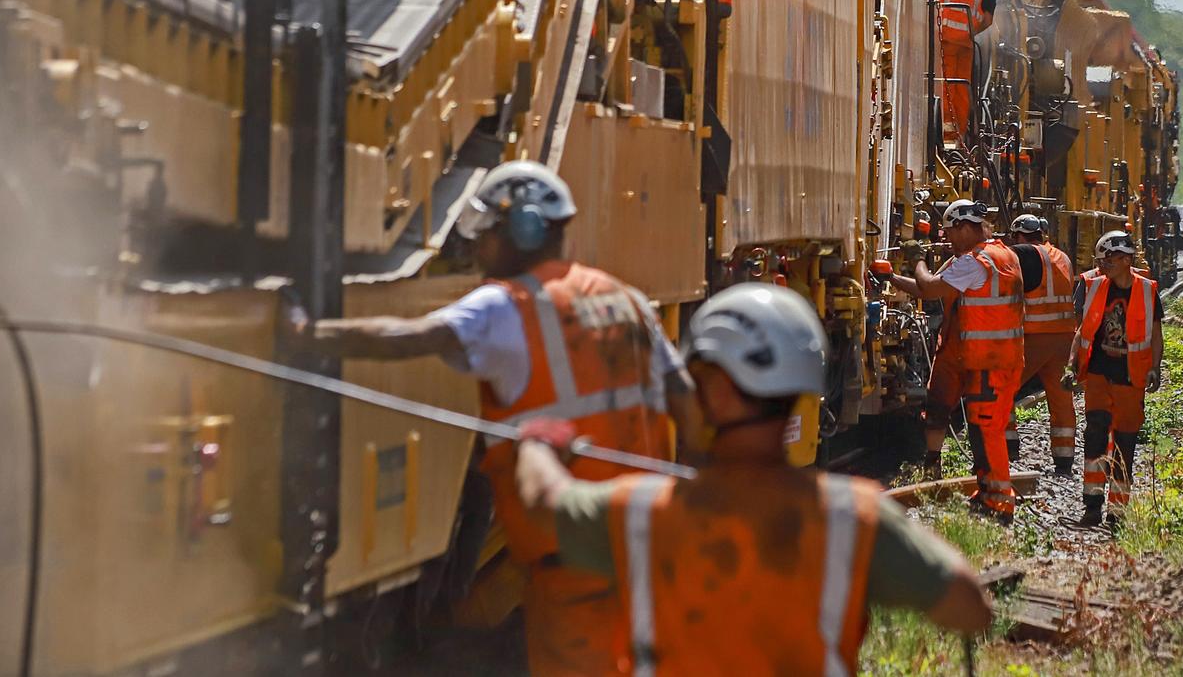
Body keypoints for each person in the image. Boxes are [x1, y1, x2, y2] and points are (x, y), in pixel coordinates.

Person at [291, 161, 698, 677]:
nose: (478, 249)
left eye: (486, 235)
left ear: (523, 231)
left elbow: (407, 337)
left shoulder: (506, 308)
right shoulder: (628, 302)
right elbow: (687, 400)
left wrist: (311, 336)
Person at [516, 283, 993, 674]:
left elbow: (542, 500)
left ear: (719, 393)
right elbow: (969, 606)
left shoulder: (642, 512)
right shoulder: (854, 519)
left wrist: (536, 444)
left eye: (694, 382)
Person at [872, 198, 1025, 519]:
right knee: (986, 428)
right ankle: (987, 491)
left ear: (966, 228)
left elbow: (928, 288)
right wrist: (891, 280)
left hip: (987, 361)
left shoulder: (975, 261)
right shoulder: (1003, 254)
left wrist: (918, 260)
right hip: (1004, 358)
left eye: (951, 232)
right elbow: (935, 289)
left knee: (987, 430)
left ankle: (999, 500)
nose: (948, 239)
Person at [1063, 229, 1163, 529]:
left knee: (1124, 444)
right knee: (1094, 438)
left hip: (1129, 379)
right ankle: (1092, 508)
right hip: (1098, 375)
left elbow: (1156, 335)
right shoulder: (1094, 286)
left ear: (1124, 259)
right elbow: (1082, 331)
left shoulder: (1147, 291)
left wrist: (1155, 367)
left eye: (1107, 260)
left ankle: (1116, 514)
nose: (1102, 265)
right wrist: (1071, 365)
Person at [1005, 213, 1079, 476]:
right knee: (1061, 400)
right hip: (1064, 338)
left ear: (1019, 236)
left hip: (1034, 336)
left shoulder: (1026, 254)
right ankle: (1064, 461)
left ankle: (1009, 447)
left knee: (1004, 389)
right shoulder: (1062, 257)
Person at [934, 0, 995, 144]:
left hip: (942, 40)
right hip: (966, 43)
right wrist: (969, 31)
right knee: (961, 88)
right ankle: (956, 137)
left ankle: (943, 133)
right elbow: (988, 19)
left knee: (943, 86)